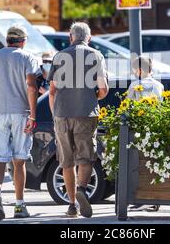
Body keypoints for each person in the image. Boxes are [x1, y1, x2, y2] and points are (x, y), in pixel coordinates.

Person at [48, 22, 109, 218]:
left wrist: (55, 113)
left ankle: (72, 204)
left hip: (62, 115)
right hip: (86, 114)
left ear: (70, 36)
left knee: (66, 161)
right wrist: (93, 97)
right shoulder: (95, 55)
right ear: (89, 37)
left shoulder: (59, 56)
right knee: (86, 157)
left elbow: (52, 90)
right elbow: (103, 89)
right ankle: (82, 188)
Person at [0, 25, 40, 220]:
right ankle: (19, 205)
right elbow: (31, 86)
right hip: (21, 112)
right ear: (23, 41)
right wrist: (33, 115)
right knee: (19, 160)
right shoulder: (27, 57)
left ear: (7, 40)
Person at [127, 56, 163, 212]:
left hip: (138, 132)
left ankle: (142, 199)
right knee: (153, 163)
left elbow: (127, 109)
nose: (134, 73)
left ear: (140, 70)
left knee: (139, 165)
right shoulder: (159, 86)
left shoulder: (135, 85)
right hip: (156, 131)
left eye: (135, 70)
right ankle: (153, 199)